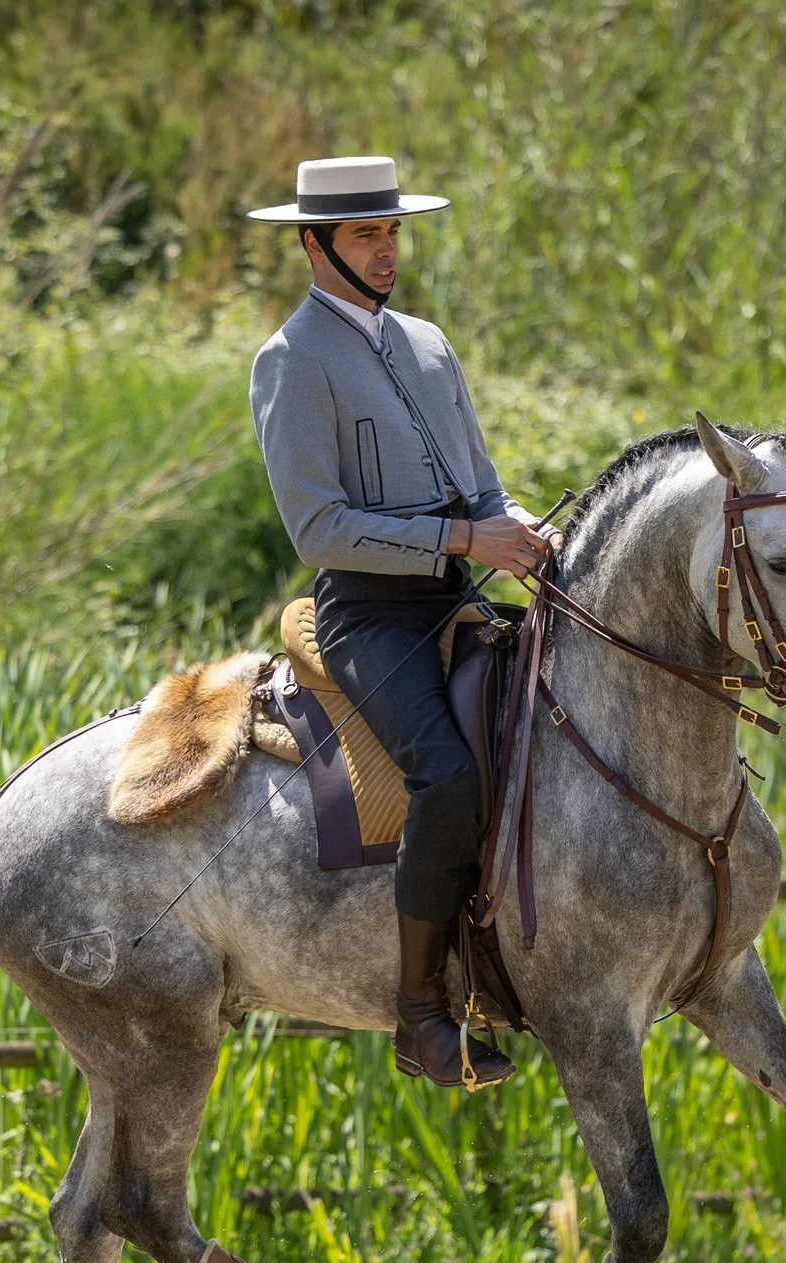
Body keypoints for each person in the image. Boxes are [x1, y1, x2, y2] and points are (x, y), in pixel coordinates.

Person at [246, 156, 552, 1090]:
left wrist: (522, 528)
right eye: (365, 236)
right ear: (314, 244)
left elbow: (484, 481)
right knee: (449, 775)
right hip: (368, 617)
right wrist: (466, 534)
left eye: (392, 233)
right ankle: (422, 1015)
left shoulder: (428, 343)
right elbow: (319, 527)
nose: (386, 252)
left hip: (456, 595)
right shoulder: (291, 361)